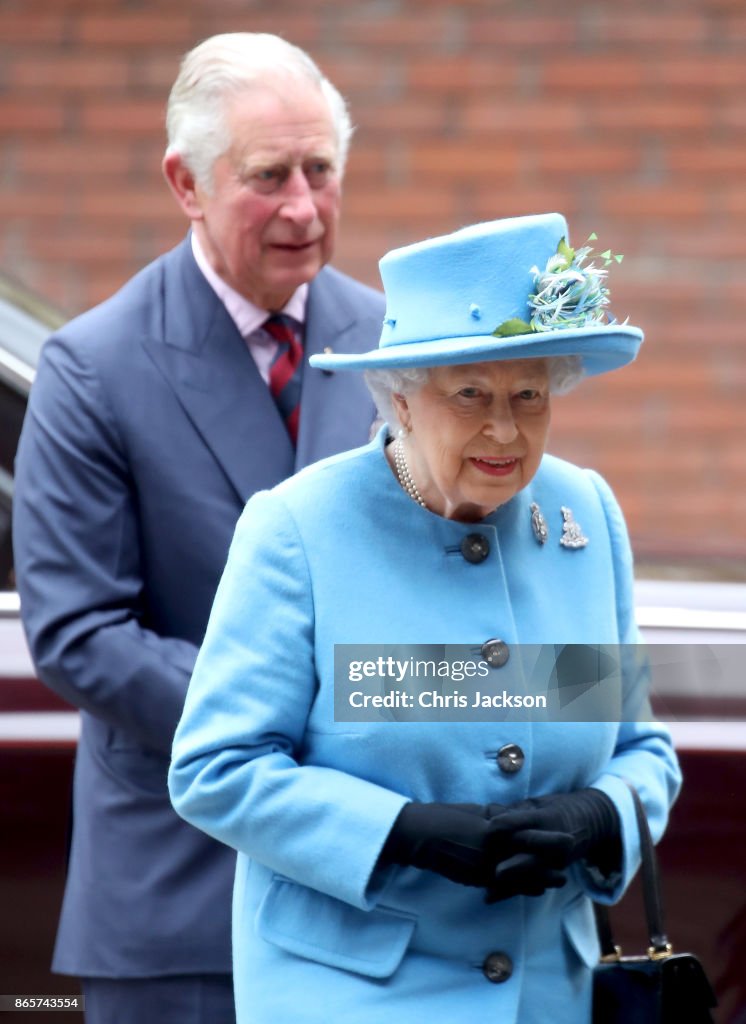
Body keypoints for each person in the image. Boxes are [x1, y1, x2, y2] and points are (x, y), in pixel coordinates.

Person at [169, 212, 682, 1023]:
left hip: (550, 993)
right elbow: (216, 769)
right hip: (353, 993)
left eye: (530, 395)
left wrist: (601, 815)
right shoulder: (300, 529)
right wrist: (402, 831)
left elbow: (640, 749)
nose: (505, 430)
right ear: (400, 399)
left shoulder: (583, 516)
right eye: (471, 394)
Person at [12, 32, 384, 1024]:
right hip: (185, 897)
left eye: (321, 170)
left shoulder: (396, 344)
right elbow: (79, 633)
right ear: (185, 182)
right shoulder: (94, 366)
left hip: (379, 894)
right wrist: (306, 713)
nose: (303, 207)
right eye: (269, 176)